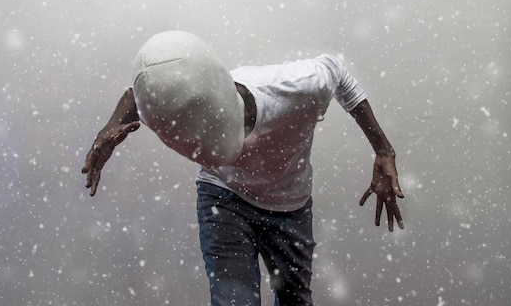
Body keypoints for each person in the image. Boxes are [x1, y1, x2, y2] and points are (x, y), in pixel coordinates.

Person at [81, 30, 404, 306]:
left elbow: (340, 74)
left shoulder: (296, 86)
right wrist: (107, 129)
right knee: (233, 299)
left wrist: (383, 150)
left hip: (289, 204)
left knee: (295, 299)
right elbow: (139, 91)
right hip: (223, 196)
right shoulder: (173, 97)